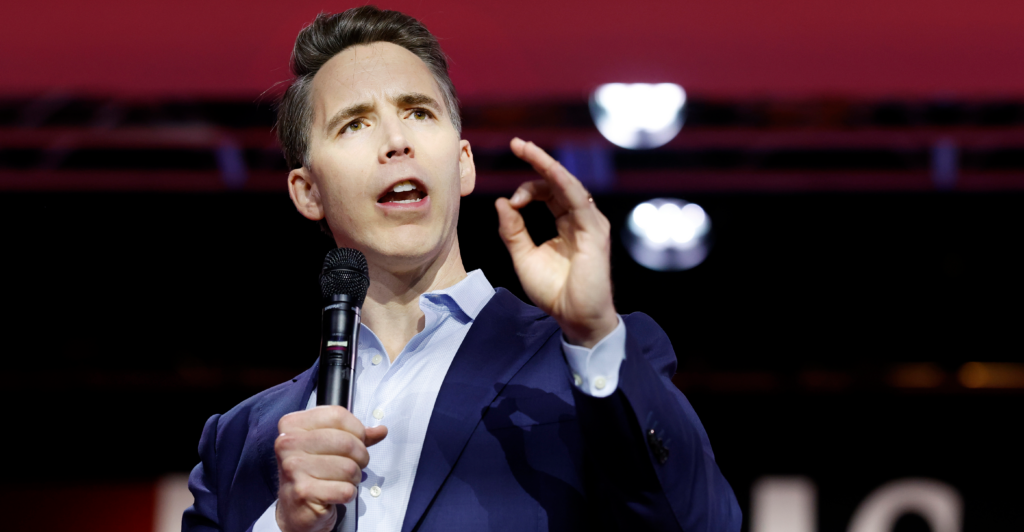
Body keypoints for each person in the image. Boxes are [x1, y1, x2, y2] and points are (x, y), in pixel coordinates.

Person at [183, 6, 740, 532]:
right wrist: (282, 525)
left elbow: (702, 523)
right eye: (354, 124)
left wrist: (594, 333)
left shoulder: (590, 362)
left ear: (463, 162)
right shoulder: (240, 440)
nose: (396, 142)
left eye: (419, 113)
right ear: (308, 191)